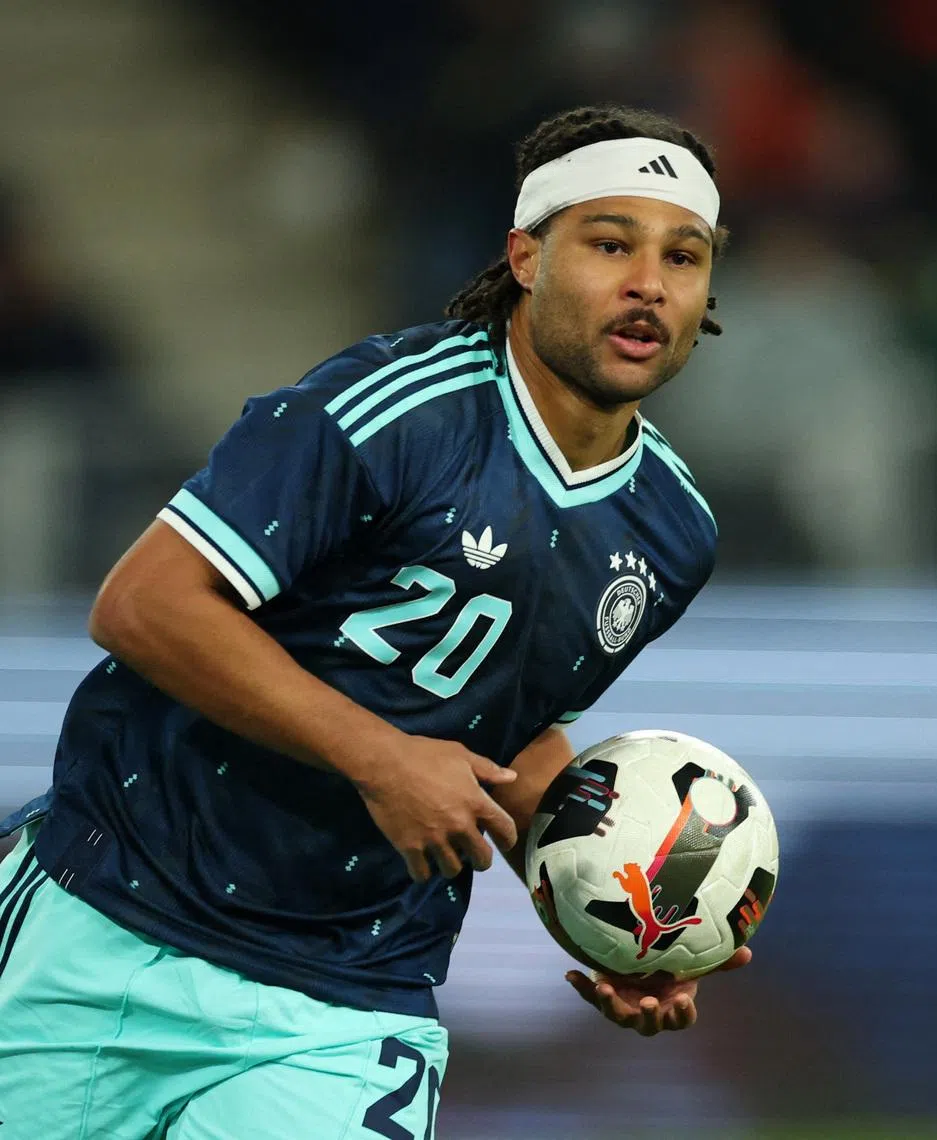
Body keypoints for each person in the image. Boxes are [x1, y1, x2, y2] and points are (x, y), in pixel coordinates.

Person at [0, 104, 748, 1139]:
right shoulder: (395, 409)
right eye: (610, 243)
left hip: (346, 998)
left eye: (684, 255)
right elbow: (146, 604)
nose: (647, 284)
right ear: (526, 257)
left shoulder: (673, 532)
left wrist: (621, 920)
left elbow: (510, 724)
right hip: (107, 922)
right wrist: (381, 759)